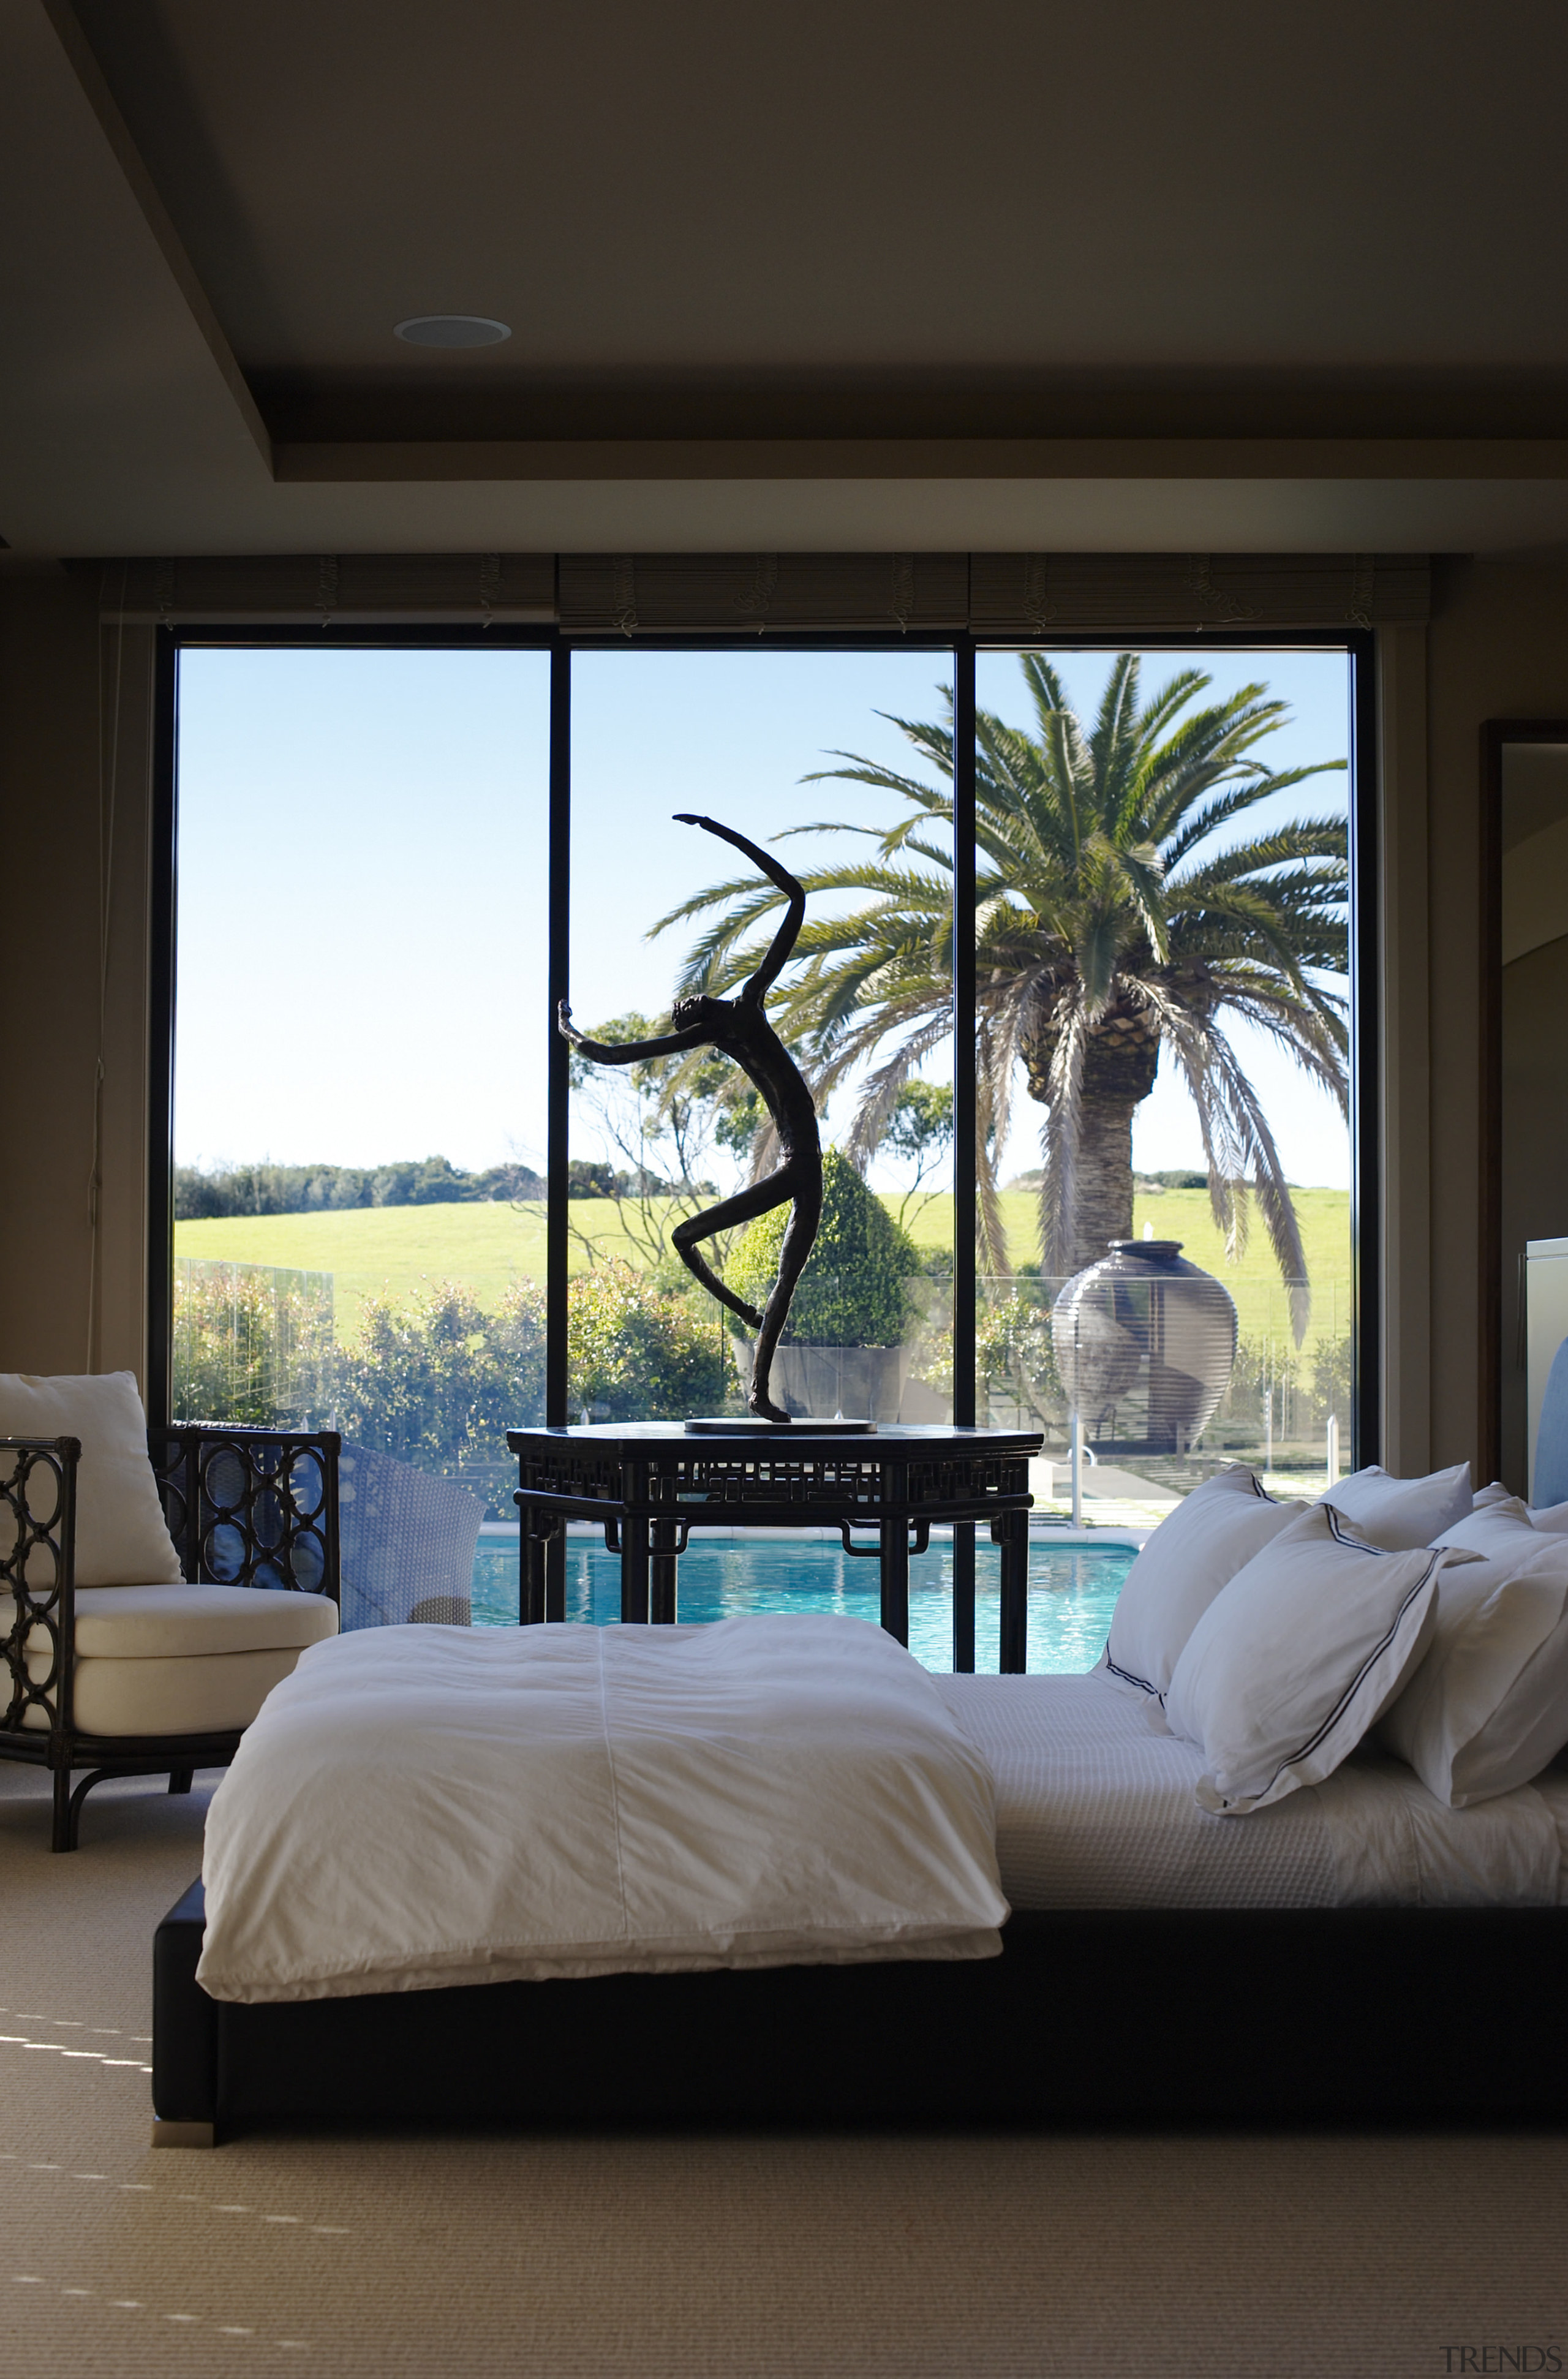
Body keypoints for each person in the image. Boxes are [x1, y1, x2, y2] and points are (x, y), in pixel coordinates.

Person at [558, 813, 821, 1423]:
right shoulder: (726, 1026)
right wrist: (566, 1025)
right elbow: (611, 1053)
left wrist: (716, 829)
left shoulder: (749, 1003)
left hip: (804, 1164)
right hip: (797, 1164)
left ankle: (756, 1379)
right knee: (700, 1245)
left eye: (681, 1006)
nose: (679, 1007)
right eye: (681, 1015)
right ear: (699, 1023)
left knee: (784, 1277)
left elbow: (794, 897)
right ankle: (751, 1355)